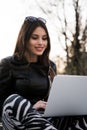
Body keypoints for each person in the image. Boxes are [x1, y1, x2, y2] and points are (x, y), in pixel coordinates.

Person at [0, 16, 87, 130]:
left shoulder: (50, 66)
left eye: (44, 38)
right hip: (18, 122)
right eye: (35, 38)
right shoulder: (7, 64)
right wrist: (30, 109)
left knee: (78, 111)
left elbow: (52, 101)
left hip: (44, 121)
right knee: (13, 100)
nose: (41, 42)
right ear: (24, 39)